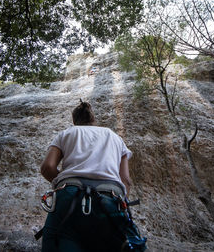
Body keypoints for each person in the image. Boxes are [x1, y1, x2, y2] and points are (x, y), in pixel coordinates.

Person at [38, 100, 146, 252]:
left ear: (75, 121)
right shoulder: (114, 137)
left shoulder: (67, 133)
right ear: (93, 119)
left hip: (69, 197)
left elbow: (47, 167)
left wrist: (65, 182)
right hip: (110, 198)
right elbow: (126, 181)